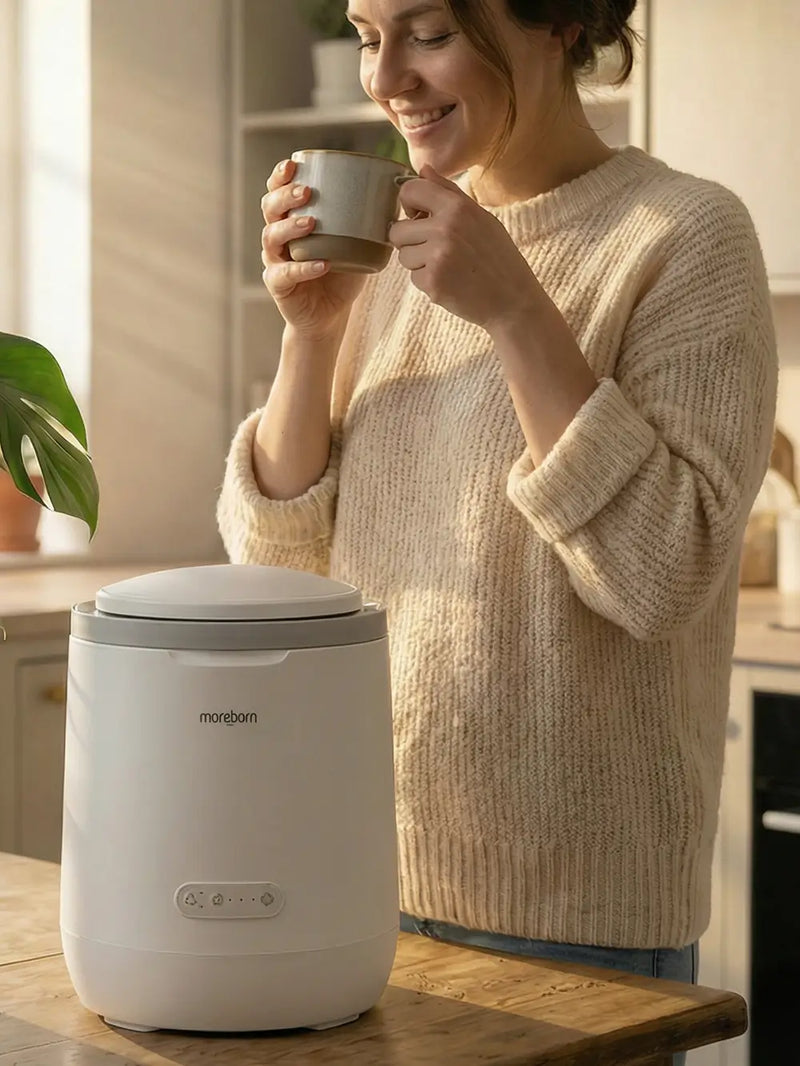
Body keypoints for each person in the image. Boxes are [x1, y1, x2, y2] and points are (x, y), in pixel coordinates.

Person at [217, 1, 777, 1061]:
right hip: (358, 881)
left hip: (575, 919)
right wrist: (312, 332)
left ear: (556, 20)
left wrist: (517, 312)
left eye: (425, 31)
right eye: (365, 33)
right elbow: (283, 568)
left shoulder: (683, 236)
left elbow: (662, 576)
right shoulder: (393, 244)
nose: (385, 79)